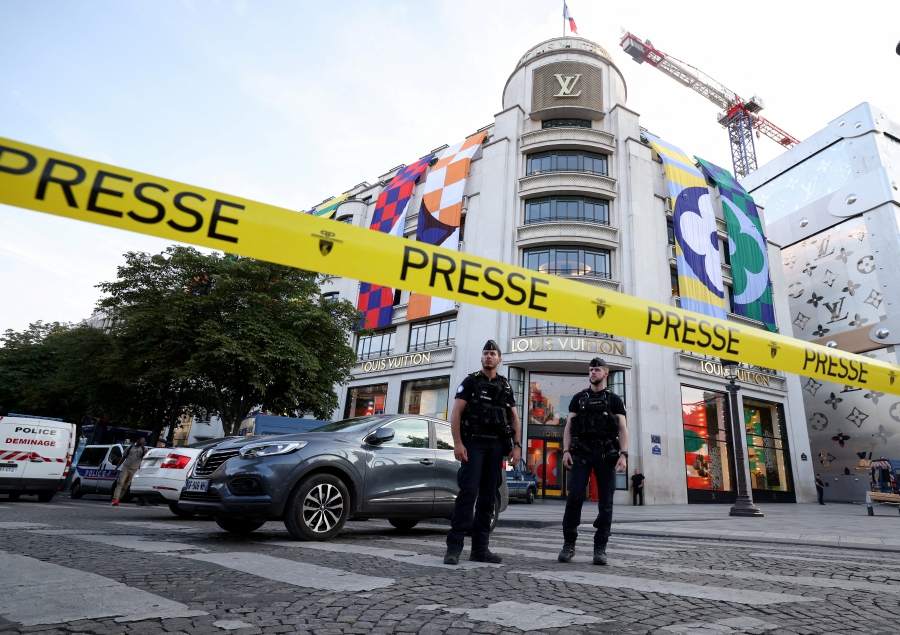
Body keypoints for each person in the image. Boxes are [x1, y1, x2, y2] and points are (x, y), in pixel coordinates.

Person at [444, 340, 522, 565]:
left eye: (493, 354)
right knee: (468, 493)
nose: (488, 356)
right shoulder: (471, 381)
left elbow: (514, 417)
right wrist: (458, 443)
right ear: (482, 358)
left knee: (488, 498)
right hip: (474, 443)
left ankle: (480, 549)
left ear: (499, 359)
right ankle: (454, 548)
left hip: (496, 446)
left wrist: (516, 446)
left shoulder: (505, 386)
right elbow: (457, 413)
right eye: (485, 353)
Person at [558, 358, 628, 565]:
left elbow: (623, 429)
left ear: (606, 373)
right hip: (581, 453)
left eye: (597, 369)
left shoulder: (614, 400)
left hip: (606, 454)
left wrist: (624, 454)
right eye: (591, 370)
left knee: (606, 503)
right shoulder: (579, 398)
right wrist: (565, 451)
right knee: (574, 499)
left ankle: (600, 547)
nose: (593, 372)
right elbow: (569, 427)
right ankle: (568, 545)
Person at [111, 437, 148, 506]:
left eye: (144, 440)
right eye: (141, 440)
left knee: (126, 486)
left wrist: (146, 453)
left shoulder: (144, 449)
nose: (143, 441)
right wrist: (116, 468)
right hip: (126, 467)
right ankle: (115, 499)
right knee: (120, 483)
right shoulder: (130, 448)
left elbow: (145, 459)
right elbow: (123, 458)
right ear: (137, 440)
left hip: (134, 469)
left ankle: (117, 500)